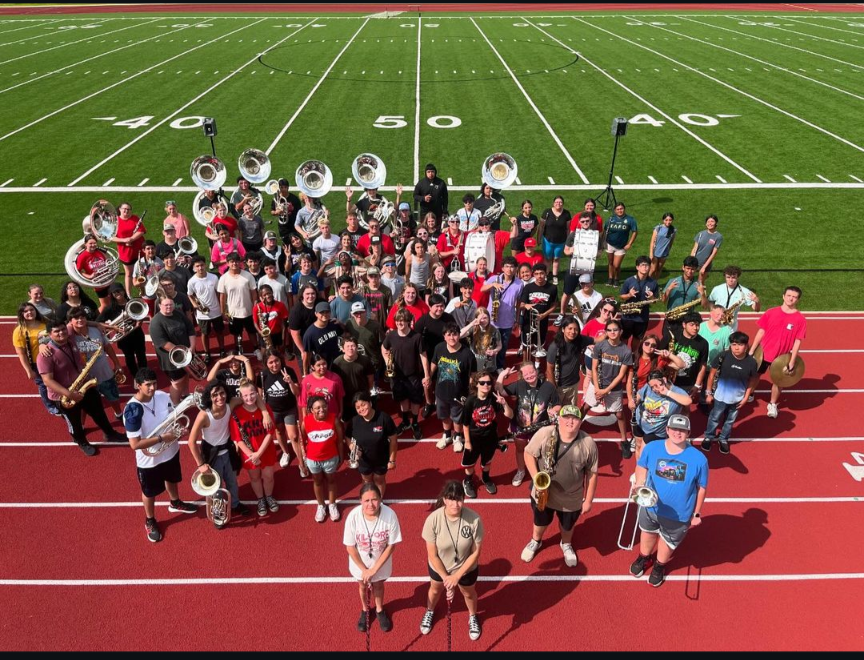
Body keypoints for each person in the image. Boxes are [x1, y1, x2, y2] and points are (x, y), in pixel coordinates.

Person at [629, 414, 707, 588]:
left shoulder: (699, 459)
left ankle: (659, 566)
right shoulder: (652, 448)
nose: (677, 433)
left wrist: (696, 513)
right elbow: (642, 465)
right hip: (650, 506)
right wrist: (640, 484)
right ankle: (644, 557)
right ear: (667, 430)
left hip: (678, 515)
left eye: (682, 430)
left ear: (688, 433)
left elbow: (702, 487)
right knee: (648, 532)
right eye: (674, 429)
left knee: (668, 540)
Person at [123, 368, 197, 542]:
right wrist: (163, 437)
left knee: (172, 479)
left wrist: (181, 428)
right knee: (149, 492)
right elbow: (135, 444)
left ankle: (175, 502)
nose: (152, 388)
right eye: (147, 385)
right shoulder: (132, 410)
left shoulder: (162, 397)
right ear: (138, 386)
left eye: (154, 383)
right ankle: (149, 520)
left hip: (170, 451)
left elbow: (173, 417)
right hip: (149, 460)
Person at [521, 404, 597, 567]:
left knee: (568, 525)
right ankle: (536, 540)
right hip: (543, 493)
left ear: (580, 422)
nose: (570, 421)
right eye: (567, 417)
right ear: (559, 420)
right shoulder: (544, 433)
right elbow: (528, 453)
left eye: (575, 418)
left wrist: (588, 500)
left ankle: (566, 544)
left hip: (571, 497)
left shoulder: (588, 443)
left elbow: (592, 473)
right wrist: (537, 479)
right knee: (540, 521)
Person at [419, 480, 484, 642]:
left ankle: (473, 616)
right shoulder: (433, 520)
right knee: (435, 590)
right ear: (445, 499)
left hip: (466, 569)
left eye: (459, 499)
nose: (456, 504)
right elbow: (432, 555)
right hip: (439, 567)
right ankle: (429, 610)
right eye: (452, 499)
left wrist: (456, 576)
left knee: (468, 593)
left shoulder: (474, 520)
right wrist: (446, 577)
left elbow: (475, 554)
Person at [187, 380, 251, 521]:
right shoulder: (204, 415)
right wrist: (200, 465)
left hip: (228, 451)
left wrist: (264, 412)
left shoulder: (230, 404)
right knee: (215, 487)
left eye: (222, 393)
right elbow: (191, 442)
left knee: (232, 481)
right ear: (209, 397)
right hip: (211, 455)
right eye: (215, 395)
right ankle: (217, 511)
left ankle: (234, 504)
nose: (220, 397)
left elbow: (249, 397)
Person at [344, 483, 402, 634]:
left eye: (374, 499)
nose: (371, 504)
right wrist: (364, 570)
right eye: (366, 500)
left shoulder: (390, 515)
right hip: (359, 563)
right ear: (360, 501)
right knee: (362, 586)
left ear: (380, 498)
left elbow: (391, 545)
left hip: (380, 562)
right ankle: (365, 610)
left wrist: (374, 569)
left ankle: (380, 609)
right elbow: (350, 547)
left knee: (378, 586)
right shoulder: (353, 517)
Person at [497, 362, 561, 488]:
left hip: (539, 429)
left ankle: (536, 473)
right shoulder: (519, 385)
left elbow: (557, 404)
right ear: (522, 376)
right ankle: (521, 470)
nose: (530, 375)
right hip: (519, 427)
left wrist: (554, 410)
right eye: (526, 374)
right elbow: (500, 390)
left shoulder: (548, 386)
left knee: (538, 452)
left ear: (536, 371)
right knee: (520, 450)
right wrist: (503, 375)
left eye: (531, 372)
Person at [749, 286, 807, 419]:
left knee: (778, 381)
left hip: (782, 357)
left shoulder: (800, 319)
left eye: (794, 297)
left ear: (797, 300)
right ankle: (750, 394)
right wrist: (752, 350)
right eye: (789, 295)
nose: (791, 298)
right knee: (755, 375)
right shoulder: (771, 312)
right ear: (783, 296)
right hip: (763, 353)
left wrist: (792, 360)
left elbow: (798, 341)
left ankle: (772, 404)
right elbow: (761, 331)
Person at [231, 378, 281, 517]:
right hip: (249, 454)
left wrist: (259, 453)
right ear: (241, 397)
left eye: (252, 394)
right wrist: (252, 455)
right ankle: (260, 499)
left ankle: (269, 496)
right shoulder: (237, 413)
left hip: (265, 450)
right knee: (254, 478)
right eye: (245, 395)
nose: (249, 397)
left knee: (268, 476)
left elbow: (270, 433)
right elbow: (238, 439)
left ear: (257, 393)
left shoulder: (265, 409)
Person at [702, 332, 758, 454]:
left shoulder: (751, 363)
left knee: (730, 420)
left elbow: (753, 381)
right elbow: (711, 374)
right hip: (720, 397)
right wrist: (708, 392)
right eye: (733, 344)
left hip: (737, 399)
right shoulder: (723, 356)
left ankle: (723, 439)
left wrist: (746, 397)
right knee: (714, 418)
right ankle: (709, 437)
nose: (736, 348)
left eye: (740, 345)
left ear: (746, 346)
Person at [461, 371, 514, 497]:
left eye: (489, 383)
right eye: (482, 382)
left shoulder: (494, 398)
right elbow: (465, 424)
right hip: (474, 439)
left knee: (487, 462)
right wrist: (467, 442)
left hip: (490, 438)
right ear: (476, 384)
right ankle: (468, 481)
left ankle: (486, 478)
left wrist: (504, 403)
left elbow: (510, 415)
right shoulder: (470, 401)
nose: (486, 385)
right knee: (470, 463)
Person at [586, 320, 633, 458]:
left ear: (621, 332)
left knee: (619, 414)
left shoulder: (626, 350)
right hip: (597, 385)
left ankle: (624, 441)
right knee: (585, 407)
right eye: (610, 330)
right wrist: (597, 388)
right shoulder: (600, 345)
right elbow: (594, 368)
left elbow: (621, 375)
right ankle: (574, 432)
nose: (612, 332)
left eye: (615, 330)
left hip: (613, 388)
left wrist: (606, 391)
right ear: (606, 332)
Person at [66, 308, 124, 421]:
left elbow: (107, 347)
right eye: (76, 318)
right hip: (84, 378)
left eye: (82, 317)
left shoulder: (96, 330)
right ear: (70, 321)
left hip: (104, 373)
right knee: (84, 405)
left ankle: (119, 414)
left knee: (113, 397)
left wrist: (117, 364)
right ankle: (82, 425)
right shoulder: (68, 335)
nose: (80, 320)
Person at [382, 308, 429, 440]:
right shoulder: (391, 336)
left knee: (415, 400)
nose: (399, 323)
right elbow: (384, 348)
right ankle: (405, 421)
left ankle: (414, 422)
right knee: (402, 399)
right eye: (397, 320)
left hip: (413, 375)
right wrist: (387, 362)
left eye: (402, 321)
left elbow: (423, 356)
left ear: (408, 321)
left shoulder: (417, 337)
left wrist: (426, 375)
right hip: (397, 376)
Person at [430, 322, 476, 452]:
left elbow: (472, 374)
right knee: (444, 415)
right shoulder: (439, 348)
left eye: (455, 334)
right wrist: (428, 376)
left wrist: (471, 391)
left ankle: (457, 437)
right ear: (444, 336)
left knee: (457, 416)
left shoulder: (467, 354)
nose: (452, 338)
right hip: (441, 391)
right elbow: (434, 363)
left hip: (459, 393)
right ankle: (447, 435)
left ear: (459, 335)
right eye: (448, 335)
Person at [258, 351, 304, 474]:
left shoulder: (289, 371)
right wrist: (265, 413)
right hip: (273, 410)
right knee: (279, 431)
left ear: (281, 360)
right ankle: (286, 452)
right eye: (271, 362)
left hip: (289, 409)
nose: (274, 364)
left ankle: (302, 463)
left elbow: (297, 393)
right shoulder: (262, 375)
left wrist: (289, 382)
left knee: (293, 436)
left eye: (276, 361)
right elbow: (259, 395)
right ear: (266, 363)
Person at [630, 370, 692, 462]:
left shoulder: (676, 391)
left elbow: (688, 401)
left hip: (656, 431)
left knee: (646, 454)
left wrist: (667, 393)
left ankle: (643, 472)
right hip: (640, 422)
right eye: (652, 387)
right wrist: (633, 402)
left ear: (664, 380)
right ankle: (639, 472)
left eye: (657, 385)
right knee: (638, 446)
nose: (655, 389)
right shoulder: (648, 387)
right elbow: (638, 396)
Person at [302, 396, 345, 523]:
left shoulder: (334, 420)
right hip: (313, 459)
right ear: (311, 410)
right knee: (317, 481)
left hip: (331, 457)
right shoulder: (306, 422)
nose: (322, 410)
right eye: (317, 408)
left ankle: (332, 504)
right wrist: (302, 460)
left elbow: (340, 442)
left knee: (331, 480)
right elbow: (303, 441)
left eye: (324, 406)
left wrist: (341, 457)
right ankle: (321, 505)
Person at [148, 296, 196, 405]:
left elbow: (190, 329)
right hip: (171, 361)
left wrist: (192, 347)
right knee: (177, 383)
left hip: (186, 354)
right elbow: (164, 344)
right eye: (166, 305)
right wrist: (184, 352)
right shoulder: (156, 323)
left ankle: (186, 396)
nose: (169, 307)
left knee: (186, 376)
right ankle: (175, 405)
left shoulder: (178, 314)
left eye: (171, 304)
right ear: (160, 306)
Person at [350, 392, 399, 498]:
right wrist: (352, 447)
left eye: (363, 405)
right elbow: (347, 436)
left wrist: (392, 460)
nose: (361, 409)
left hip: (381, 458)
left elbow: (393, 440)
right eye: (358, 407)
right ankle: (368, 498)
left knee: (379, 479)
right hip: (364, 460)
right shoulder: (355, 421)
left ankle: (379, 500)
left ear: (370, 403)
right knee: (366, 480)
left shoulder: (384, 418)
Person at [14, 303, 60, 415]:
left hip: (53, 359)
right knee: (44, 385)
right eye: (26, 311)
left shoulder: (45, 324)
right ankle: (50, 406)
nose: (29, 313)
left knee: (57, 381)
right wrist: (29, 370)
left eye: (31, 310)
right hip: (37, 363)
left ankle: (58, 401)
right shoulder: (19, 331)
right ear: (21, 314)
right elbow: (21, 353)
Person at [482, 257, 524, 371]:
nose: (509, 269)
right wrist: (493, 285)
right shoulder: (494, 278)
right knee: (489, 343)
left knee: (503, 345)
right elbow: (482, 289)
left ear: (516, 269)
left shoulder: (519, 284)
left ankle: (500, 366)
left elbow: (519, 302)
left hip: (508, 319)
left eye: (512, 267)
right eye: (507, 266)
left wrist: (517, 318)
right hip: (492, 319)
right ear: (502, 268)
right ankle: (487, 365)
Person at [546, 315, 595, 406]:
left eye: (576, 329)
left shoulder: (580, 340)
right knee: (556, 415)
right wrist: (553, 391)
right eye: (570, 328)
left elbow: (597, 340)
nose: (573, 332)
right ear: (563, 329)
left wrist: (608, 331)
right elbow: (549, 370)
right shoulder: (554, 346)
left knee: (570, 414)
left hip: (574, 385)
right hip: (559, 387)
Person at [218, 252, 258, 355]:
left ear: (239, 262)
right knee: (236, 333)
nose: (234, 263)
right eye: (231, 262)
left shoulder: (248, 275)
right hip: (233, 313)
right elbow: (222, 297)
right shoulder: (223, 278)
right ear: (227, 263)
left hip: (248, 311)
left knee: (252, 331)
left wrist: (255, 308)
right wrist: (223, 312)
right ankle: (238, 349)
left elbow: (254, 293)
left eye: (236, 261)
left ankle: (256, 348)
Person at [331, 336, 375, 430]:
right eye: (348, 346)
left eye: (353, 346)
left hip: (361, 397)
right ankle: (349, 437)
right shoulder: (337, 363)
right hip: (346, 398)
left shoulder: (365, 361)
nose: (350, 348)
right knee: (347, 421)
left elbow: (370, 378)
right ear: (342, 349)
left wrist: (368, 391)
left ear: (357, 347)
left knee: (365, 418)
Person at [703, 265, 761, 332]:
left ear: (737, 277)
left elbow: (756, 309)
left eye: (733, 277)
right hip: (715, 323)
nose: (730, 280)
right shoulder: (717, 289)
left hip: (730, 328)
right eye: (728, 277)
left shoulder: (745, 291)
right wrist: (714, 311)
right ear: (725, 277)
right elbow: (710, 302)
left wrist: (757, 301)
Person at [666, 312, 710, 400]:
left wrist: (697, 385)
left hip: (688, 383)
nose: (695, 328)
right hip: (669, 380)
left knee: (684, 409)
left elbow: (703, 365)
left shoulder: (703, 343)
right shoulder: (673, 337)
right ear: (684, 324)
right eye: (692, 325)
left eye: (697, 325)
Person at [519, 263, 557, 361]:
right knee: (526, 345)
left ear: (546, 273)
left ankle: (537, 366)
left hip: (542, 322)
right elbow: (521, 304)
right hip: (528, 321)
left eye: (541, 273)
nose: (539, 276)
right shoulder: (528, 287)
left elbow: (554, 305)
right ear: (533, 274)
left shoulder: (552, 288)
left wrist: (544, 315)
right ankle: (525, 364)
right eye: (536, 274)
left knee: (538, 346)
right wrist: (525, 305)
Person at [618, 255, 659, 349]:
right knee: (624, 337)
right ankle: (623, 353)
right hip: (628, 316)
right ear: (637, 267)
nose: (645, 267)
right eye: (642, 265)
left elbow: (654, 301)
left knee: (637, 338)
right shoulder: (629, 281)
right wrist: (629, 295)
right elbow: (621, 296)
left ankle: (633, 354)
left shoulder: (653, 283)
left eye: (647, 265)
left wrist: (652, 297)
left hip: (642, 317)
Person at [109, 201, 146, 296]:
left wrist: (131, 239)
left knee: (142, 271)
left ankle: (143, 291)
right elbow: (111, 237)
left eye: (128, 209)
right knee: (129, 273)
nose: (126, 211)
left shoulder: (135, 218)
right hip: (126, 252)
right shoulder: (115, 221)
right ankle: (129, 294)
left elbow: (141, 231)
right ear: (120, 210)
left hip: (139, 250)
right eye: (124, 209)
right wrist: (124, 240)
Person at [298, 353, 346, 420]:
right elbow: (303, 402)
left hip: (333, 416)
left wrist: (341, 411)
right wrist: (305, 418)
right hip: (314, 418)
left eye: (324, 364)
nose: (322, 367)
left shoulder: (335, 378)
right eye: (318, 365)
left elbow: (340, 396)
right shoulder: (306, 381)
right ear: (312, 367)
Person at [74, 233, 113, 312]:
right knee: (104, 305)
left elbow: (106, 262)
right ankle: (96, 318)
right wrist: (89, 276)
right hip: (99, 284)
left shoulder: (99, 252)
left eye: (94, 243)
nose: (93, 245)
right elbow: (78, 271)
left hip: (107, 279)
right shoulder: (82, 256)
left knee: (112, 302)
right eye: (90, 243)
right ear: (85, 244)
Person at [345, 302, 383, 383]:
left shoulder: (376, 326)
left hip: (372, 364)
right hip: (356, 364)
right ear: (352, 314)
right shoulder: (349, 324)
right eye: (356, 313)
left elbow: (383, 345)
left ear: (365, 312)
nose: (359, 315)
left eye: (361, 312)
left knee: (373, 392)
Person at [537, 196, 571, 285]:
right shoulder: (547, 212)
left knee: (556, 259)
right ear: (553, 203)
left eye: (560, 202)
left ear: (563, 203)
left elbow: (568, 229)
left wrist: (568, 241)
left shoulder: (566, 214)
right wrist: (538, 238)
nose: (558, 204)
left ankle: (555, 276)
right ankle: (546, 274)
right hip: (548, 240)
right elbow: (541, 226)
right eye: (556, 202)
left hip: (561, 241)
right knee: (547, 259)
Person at [605, 202, 638, 287]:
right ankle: (610, 278)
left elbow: (635, 232)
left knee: (616, 265)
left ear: (624, 209)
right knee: (610, 262)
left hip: (621, 246)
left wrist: (629, 244)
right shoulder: (611, 219)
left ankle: (616, 278)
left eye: (621, 209)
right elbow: (605, 230)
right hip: (610, 243)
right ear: (615, 210)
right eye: (618, 209)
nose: (620, 210)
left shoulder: (630, 219)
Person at [460, 307, 501, 376]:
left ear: (489, 318)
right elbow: (459, 335)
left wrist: (494, 351)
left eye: (485, 318)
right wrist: (471, 324)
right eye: (480, 318)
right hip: (475, 364)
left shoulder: (494, 330)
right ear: (476, 319)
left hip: (489, 366)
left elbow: (499, 345)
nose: (483, 320)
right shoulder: (473, 329)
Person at [302, 302, 343, 370]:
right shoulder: (310, 334)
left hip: (338, 364)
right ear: (316, 314)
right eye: (321, 312)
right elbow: (307, 356)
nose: (325, 314)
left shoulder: (334, 324)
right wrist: (305, 373)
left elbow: (346, 335)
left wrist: (341, 324)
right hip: (323, 367)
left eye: (327, 312)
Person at [288, 284, 318, 375]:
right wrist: (303, 351)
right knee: (306, 373)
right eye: (307, 294)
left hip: (317, 342)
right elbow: (295, 334)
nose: (310, 296)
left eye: (313, 293)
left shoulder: (319, 304)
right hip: (302, 344)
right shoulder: (296, 311)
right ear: (302, 295)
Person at [691, 214, 722, 284]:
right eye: (708, 221)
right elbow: (694, 249)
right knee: (689, 282)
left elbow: (713, 253)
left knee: (700, 283)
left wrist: (704, 267)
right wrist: (690, 261)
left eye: (712, 221)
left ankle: (701, 295)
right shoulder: (700, 234)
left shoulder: (718, 237)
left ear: (716, 223)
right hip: (695, 262)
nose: (710, 223)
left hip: (705, 264)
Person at [272, 178, 302, 244]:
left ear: (288, 188)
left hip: (294, 225)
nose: (283, 189)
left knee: (296, 243)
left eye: (285, 187)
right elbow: (272, 211)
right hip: (283, 227)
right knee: (285, 244)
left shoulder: (294, 199)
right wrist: (276, 212)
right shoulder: (276, 198)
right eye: (281, 187)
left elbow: (300, 212)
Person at [649, 212, 676, 280]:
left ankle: (655, 284)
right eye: (666, 220)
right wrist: (651, 253)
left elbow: (671, 242)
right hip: (655, 252)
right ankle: (646, 283)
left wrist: (667, 251)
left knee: (659, 269)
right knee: (653, 269)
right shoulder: (658, 228)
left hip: (664, 253)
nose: (668, 222)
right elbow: (652, 242)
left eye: (670, 220)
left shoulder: (673, 230)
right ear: (663, 220)